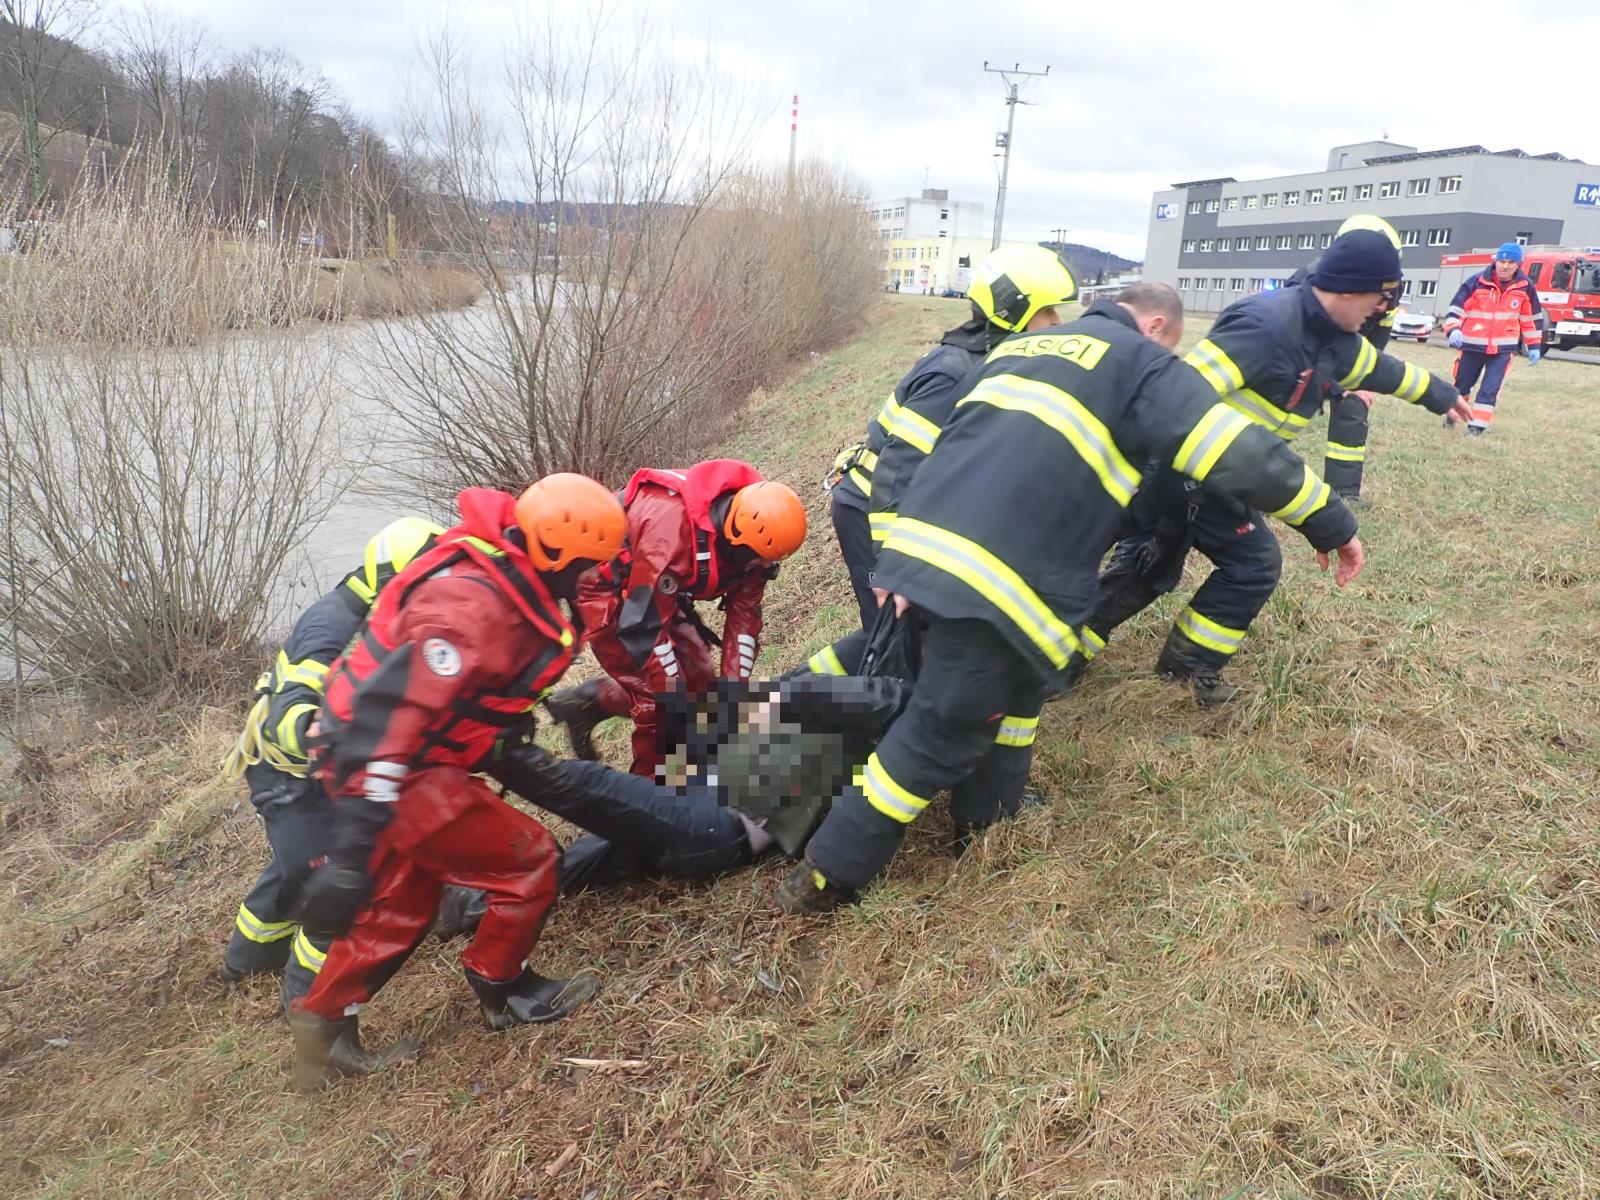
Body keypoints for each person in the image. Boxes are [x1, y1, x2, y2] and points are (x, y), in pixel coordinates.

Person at [775, 283, 1370, 912]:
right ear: (1156, 327)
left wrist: (900, 559)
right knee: (940, 729)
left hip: (930, 550)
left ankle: (988, 818)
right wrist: (1330, 520)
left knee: (1016, 694)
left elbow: (948, 445)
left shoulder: (1024, 348)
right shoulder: (1142, 365)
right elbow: (1242, 455)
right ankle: (827, 875)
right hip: (1000, 581)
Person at [286, 475, 626, 1090]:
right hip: (394, 762)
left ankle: (322, 1027)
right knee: (527, 863)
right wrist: (355, 850)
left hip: (388, 756)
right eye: (586, 567)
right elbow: (392, 721)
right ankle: (504, 985)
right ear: (554, 553)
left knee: (406, 903)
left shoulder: (503, 571)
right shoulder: (469, 608)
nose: (591, 579)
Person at [1075, 227, 1474, 706]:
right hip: (1186, 470)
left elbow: (1384, 371)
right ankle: (1061, 661)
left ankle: (1183, 667)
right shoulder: (1264, 327)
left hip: (1232, 477)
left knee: (1242, 566)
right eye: (1381, 294)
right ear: (1350, 287)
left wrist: (1442, 395)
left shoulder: (1336, 341)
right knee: (1155, 569)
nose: (1383, 307)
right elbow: (1179, 395)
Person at [219, 516, 443, 1006]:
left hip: (316, 770)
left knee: (293, 861)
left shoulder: (377, 609)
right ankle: (308, 1004)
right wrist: (334, 737)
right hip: (290, 775)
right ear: (393, 580)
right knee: (330, 884)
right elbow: (290, 716)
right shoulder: (331, 625)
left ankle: (251, 953)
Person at [827, 245, 1079, 627]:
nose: (1058, 322)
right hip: (870, 513)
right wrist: (895, 565)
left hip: (908, 510)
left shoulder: (990, 364)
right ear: (1015, 311)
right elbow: (897, 472)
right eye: (1049, 311)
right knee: (891, 631)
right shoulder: (955, 376)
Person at [543, 461, 807, 779]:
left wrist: (733, 693)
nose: (762, 567)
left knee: (702, 685)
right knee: (661, 705)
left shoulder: (756, 544)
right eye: (758, 559)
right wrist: (676, 702)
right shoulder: (672, 531)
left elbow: (745, 618)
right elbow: (645, 630)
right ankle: (649, 797)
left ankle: (587, 703)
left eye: (768, 561)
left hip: (654, 590)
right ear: (737, 537)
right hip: (605, 587)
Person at [1287, 215, 1406, 507]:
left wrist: (1360, 379)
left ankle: (1344, 493)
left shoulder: (1391, 289)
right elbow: (1286, 330)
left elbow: (1379, 333)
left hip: (1346, 354)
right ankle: (1251, 493)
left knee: (1353, 406)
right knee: (1270, 415)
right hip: (1297, 356)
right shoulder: (1306, 278)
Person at [1442, 241, 1544, 436]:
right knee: (1462, 385)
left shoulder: (1525, 287)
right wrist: (1453, 329)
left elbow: (1530, 319)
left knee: (1490, 390)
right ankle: (1452, 417)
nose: (1505, 266)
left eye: (1510, 262)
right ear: (1495, 262)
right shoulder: (1476, 282)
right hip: (1472, 346)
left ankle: (1476, 429)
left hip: (1502, 351)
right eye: (1502, 261)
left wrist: (1534, 346)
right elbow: (1457, 309)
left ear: (1518, 264)